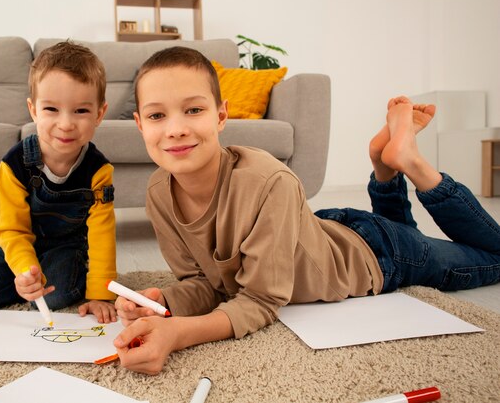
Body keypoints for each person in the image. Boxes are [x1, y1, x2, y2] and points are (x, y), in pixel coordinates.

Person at [112, 46, 500, 374]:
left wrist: (179, 333)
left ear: (222, 115)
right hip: (324, 231)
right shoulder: (159, 191)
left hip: (379, 257)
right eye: (157, 115)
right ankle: (384, 165)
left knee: (493, 255)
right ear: (139, 124)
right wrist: (164, 302)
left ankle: (410, 162)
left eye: (193, 110)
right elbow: (206, 284)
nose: (175, 129)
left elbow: (261, 300)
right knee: (403, 228)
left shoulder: (267, 180)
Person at [0, 41, 117, 323]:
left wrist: (100, 293)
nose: (66, 124)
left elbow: (102, 233)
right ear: (33, 110)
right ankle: (22, 282)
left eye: (81, 111)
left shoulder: (98, 170)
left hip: (65, 243)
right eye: (52, 109)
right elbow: (11, 228)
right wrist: (25, 269)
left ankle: (51, 277)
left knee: (56, 297)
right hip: (13, 236)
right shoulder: (14, 163)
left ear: (99, 114)